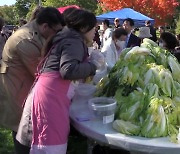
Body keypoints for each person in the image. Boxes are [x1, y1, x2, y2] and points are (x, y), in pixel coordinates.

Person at [17, 8, 100, 154]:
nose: (95, 31)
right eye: (93, 27)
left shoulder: (68, 38)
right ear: (83, 28)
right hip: (51, 96)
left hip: (50, 92)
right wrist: (93, 65)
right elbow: (68, 70)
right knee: (49, 143)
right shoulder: (74, 40)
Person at [0, 7, 65, 154]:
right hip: (17, 89)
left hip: (24, 86)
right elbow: (41, 71)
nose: (58, 35)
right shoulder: (25, 39)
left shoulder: (38, 32)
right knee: (21, 130)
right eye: (56, 31)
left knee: (28, 127)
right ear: (45, 26)